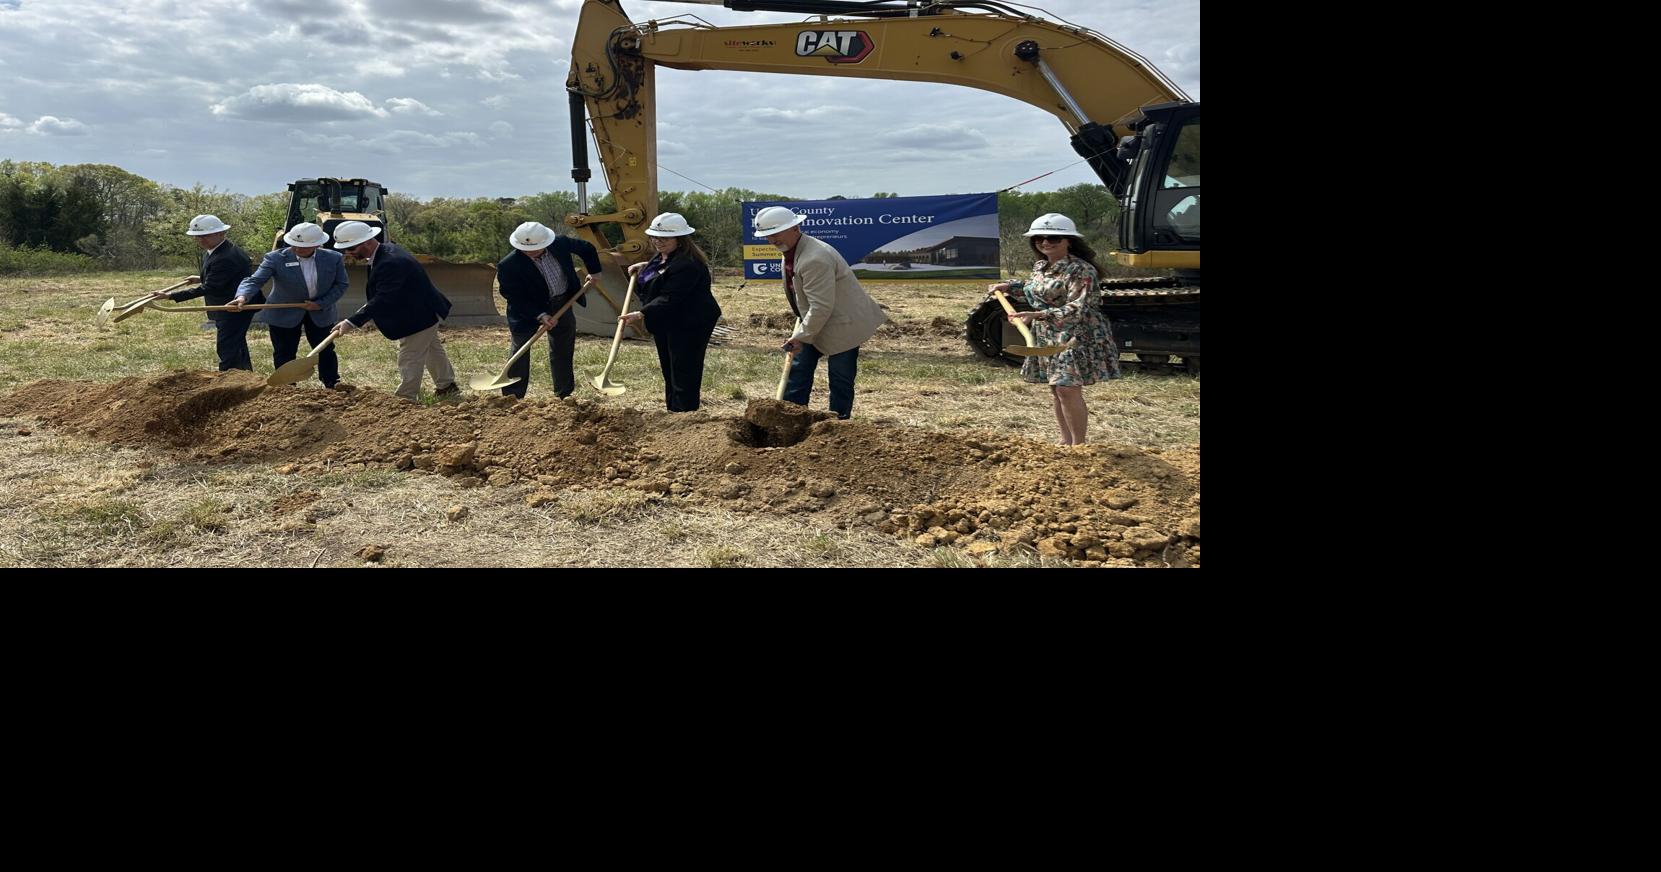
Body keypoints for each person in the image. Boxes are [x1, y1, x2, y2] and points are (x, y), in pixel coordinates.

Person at [986, 213, 1121, 446]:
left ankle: (1079, 446)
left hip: (1075, 335)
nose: (1045, 242)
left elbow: (1079, 307)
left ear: (1069, 241)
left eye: (1053, 238)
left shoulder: (1081, 270)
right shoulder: (1041, 266)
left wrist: (1037, 315)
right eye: (1039, 238)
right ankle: (1065, 441)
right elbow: (1036, 289)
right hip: (1048, 334)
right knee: (1057, 389)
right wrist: (1009, 286)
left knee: (1067, 388)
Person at [752, 205, 887, 419]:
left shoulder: (814, 257)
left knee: (840, 378)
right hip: (814, 319)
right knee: (797, 373)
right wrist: (803, 330)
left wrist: (801, 336)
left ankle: (837, 424)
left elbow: (821, 306)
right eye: (767, 236)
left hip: (843, 323)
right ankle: (791, 421)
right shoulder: (792, 250)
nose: (771, 240)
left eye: (776, 233)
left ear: (795, 228)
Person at [327, 220, 460, 401]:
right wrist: (352, 319)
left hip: (419, 315)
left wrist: (352, 322)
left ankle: (405, 399)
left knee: (409, 356)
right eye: (345, 249)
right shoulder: (384, 252)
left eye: (351, 248)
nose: (347, 253)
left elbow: (383, 298)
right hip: (420, 309)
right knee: (431, 349)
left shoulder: (390, 262)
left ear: (367, 242)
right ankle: (447, 385)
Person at [620, 213, 722, 412]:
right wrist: (644, 267)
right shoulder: (662, 256)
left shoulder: (688, 264)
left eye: (664, 238)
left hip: (690, 323)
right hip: (666, 320)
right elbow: (662, 273)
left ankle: (685, 415)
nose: (658, 241)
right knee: (669, 369)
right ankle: (673, 412)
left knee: (684, 370)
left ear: (680, 239)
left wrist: (641, 314)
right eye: (655, 237)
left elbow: (670, 296)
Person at [229, 223, 347, 389]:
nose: (297, 249)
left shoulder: (333, 258)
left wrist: (321, 303)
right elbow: (255, 280)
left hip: (321, 312)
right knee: (284, 352)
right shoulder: (275, 258)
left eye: (303, 247)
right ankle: (286, 387)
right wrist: (242, 296)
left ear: (317, 244)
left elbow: (341, 284)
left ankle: (332, 383)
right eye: (294, 245)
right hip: (283, 312)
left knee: (325, 350)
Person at [495, 221, 601, 399]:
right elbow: (514, 296)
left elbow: (587, 248)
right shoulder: (508, 265)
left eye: (535, 248)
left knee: (562, 347)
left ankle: (563, 394)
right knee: (520, 349)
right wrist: (540, 314)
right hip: (527, 310)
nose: (530, 252)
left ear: (546, 242)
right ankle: (513, 396)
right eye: (526, 249)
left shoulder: (560, 243)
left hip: (562, 302)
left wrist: (595, 272)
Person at [153, 214, 255, 371]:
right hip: (227, 306)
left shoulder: (226, 256)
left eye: (205, 236)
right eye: (197, 236)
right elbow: (222, 276)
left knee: (227, 347)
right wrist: (200, 278)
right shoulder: (216, 250)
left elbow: (211, 287)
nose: (200, 240)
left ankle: (229, 378)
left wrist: (171, 296)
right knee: (235, 344)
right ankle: (245, 376)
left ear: (220, 233)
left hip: (234, 307)